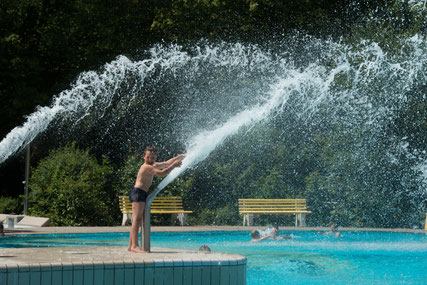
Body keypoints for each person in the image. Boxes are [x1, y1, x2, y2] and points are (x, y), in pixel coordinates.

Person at [128, 146, 186, 253]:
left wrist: (182, 156)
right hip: (138, 193)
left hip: (141, 193)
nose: (151, 159)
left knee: (138, 219)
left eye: (153, 157)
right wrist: (174, 166)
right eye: (149, 157)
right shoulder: (146, 167)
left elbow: (167, 162)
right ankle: (134, 246)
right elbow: (161, 173)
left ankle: (131, 246)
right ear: (144, 156)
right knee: (137, 219)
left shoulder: (153, 164)